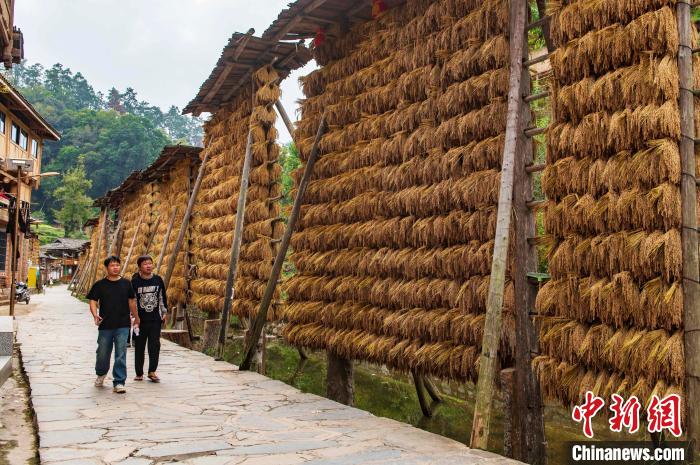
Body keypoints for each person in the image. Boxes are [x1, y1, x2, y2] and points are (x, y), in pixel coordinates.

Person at [87, 256, 139, 393]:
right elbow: (92, 300)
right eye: (112, 265)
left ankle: (119, 382)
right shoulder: (100, 284)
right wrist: (94, 314)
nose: (115, 267)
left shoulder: (126, 284)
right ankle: (101, 373)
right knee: (102, 353)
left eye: (117, 265)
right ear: (107, 268)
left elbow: (132, 302)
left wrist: (137, 318)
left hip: (123, 324)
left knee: (121, 353)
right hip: (105, 325)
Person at [131, 255, 168, 383]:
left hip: (155, 319)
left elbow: (162, 297)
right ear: (140, 267)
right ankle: (139, 373)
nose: (148, 266)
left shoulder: (158, 280)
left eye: (150, 263)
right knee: (139, 347)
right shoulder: (135, 282)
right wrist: (134, 318)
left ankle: (152, 371)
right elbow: (132, 301)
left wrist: (164, 312)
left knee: (154, 346)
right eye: (145, 264)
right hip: (140, 320)